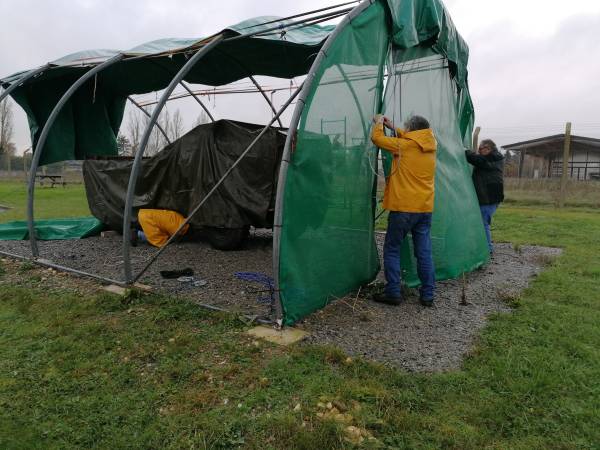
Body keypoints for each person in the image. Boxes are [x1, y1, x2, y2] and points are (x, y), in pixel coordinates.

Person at [370, 114, 438, 307]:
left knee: (392, 249)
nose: (404, 131)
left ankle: (393, 292)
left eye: (406, 128)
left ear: (412, 131)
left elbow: (377, 139)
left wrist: (378, 124)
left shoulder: (405, 146)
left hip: (403, 208)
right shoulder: (431, 145)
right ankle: (427, 294)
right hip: (424, 208)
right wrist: (393, 127)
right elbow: (411, 138)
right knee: (424, 252)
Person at [465, 139, 504, 253]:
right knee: (482, 223)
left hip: (489, 198)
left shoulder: (494, 158)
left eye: (481, 149)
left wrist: (465, 151)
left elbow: (477, 160)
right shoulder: (493, 158)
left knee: (483, 223)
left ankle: (487, 249)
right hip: (490, 197)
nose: (479, 151)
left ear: (489, 149)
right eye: (479, 149)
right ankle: (483, 247)